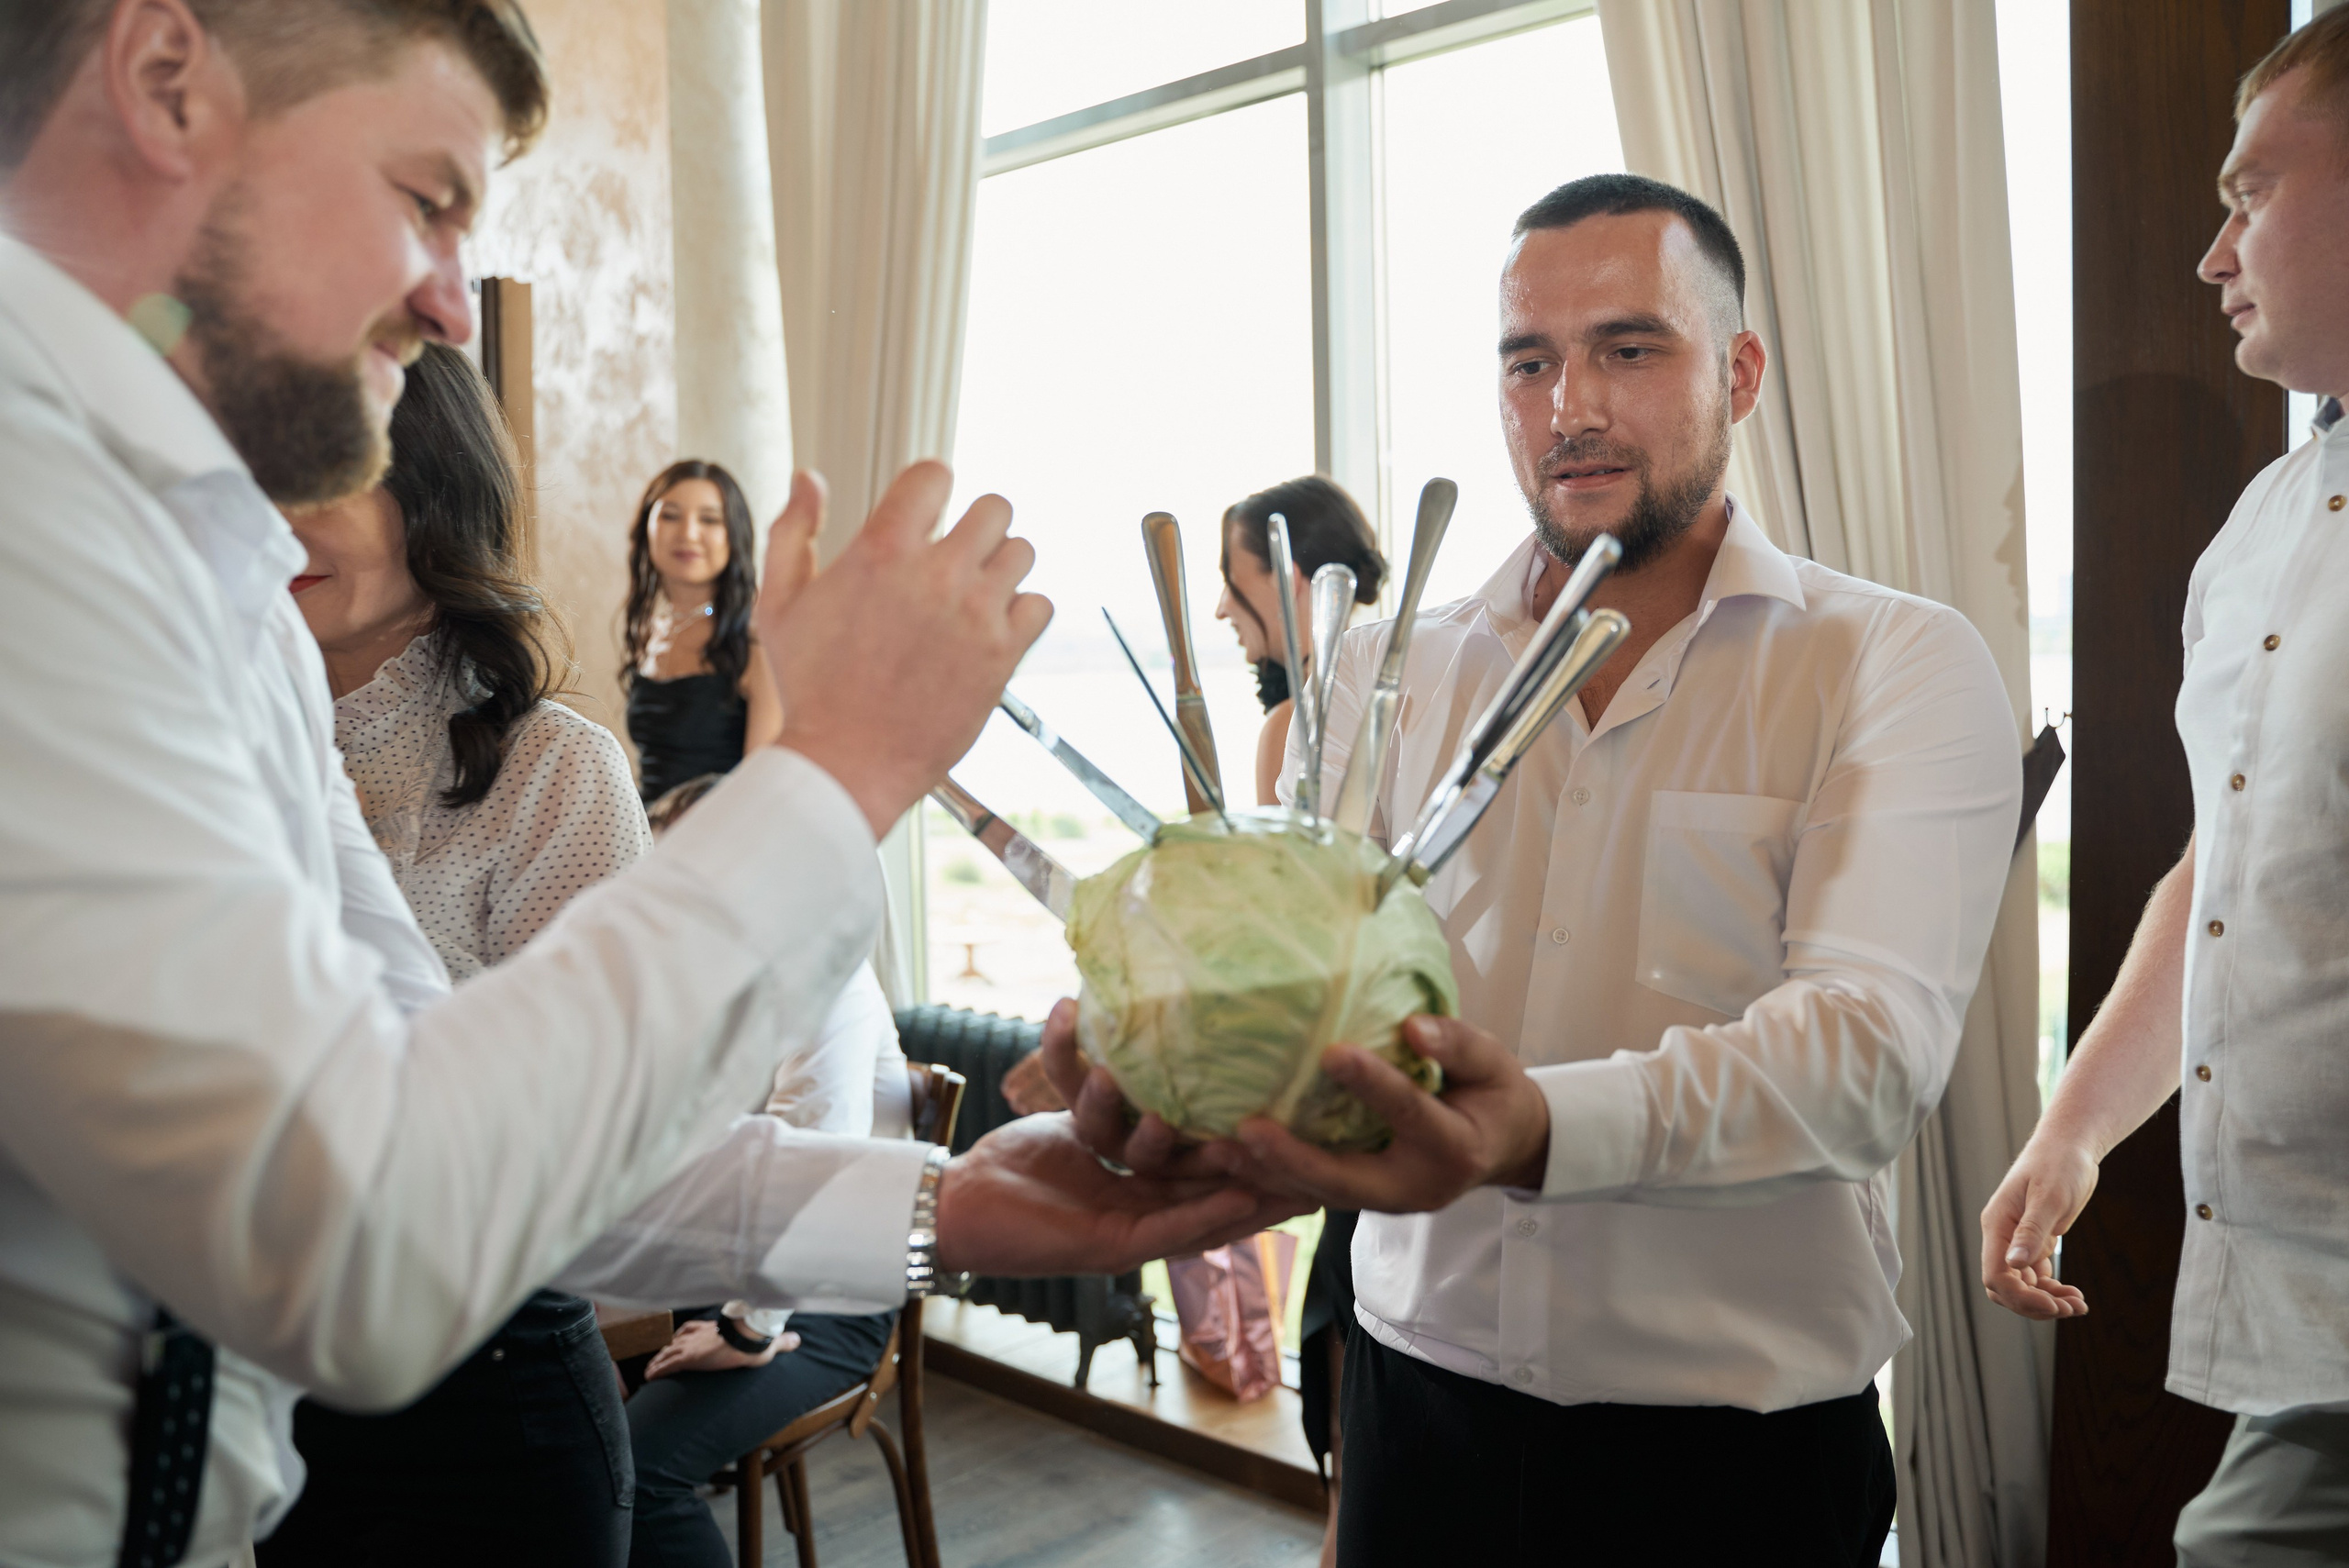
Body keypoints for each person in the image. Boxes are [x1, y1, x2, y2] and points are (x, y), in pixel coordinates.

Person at [0, 4, 1294, 1561]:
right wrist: (836, 770)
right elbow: (349, 1239)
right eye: (426, 198)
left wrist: (942, 1206)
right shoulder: (32, 523)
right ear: (165, 82)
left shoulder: (225, 602)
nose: (451, 303)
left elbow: (447, 1132)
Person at [1049, 172, 2020, 1566]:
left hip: (1732, 1457)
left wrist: (1534, 1131)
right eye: (1529, 362)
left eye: (1629, 348)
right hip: (1412, 1404)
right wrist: (1180, 1060)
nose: (1571, 405)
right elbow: (1312, 1000)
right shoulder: (1380, 671)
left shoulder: (1891, 659)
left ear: (1740, 373)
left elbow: (1865, 1055)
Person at [1981, 14, 2349, 1562]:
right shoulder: (2259, 526)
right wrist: (2075, 1125)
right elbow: (2227, 865)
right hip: (2304, 1322)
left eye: (2251, 193)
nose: (2214, 254)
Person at [625, 775, 907, 1568]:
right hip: (727, 1272)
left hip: (827, 1298)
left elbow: (808, 1171)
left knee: (631, 1475)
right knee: (550, 1422)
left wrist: (749, 1328)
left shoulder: (825, 978)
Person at [1214, 475, 1386, 806]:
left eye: (1230, 579)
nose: (1222, 608)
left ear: (1285, 579)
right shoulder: (1378, 696)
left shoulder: (1293, 724)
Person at [622, 461, 784, 802]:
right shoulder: (651, 630)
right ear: (647, 527)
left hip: (722, 828)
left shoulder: (755, 639)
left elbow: (762, 788)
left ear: (734, 535)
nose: (688, 533)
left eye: (709, 519)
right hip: (646, 825)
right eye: (670, 516)